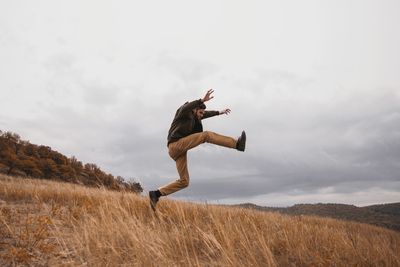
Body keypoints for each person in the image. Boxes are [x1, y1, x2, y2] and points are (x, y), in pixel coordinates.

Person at [149, 89, 246, 211]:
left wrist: (219, 112)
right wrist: (201, 100)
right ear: (194, 110)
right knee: (206, 135)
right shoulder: (183, 113)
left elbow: (206, 114)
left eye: (202, 114)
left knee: (184, 181)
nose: (201, 115)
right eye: (200, 113)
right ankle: (237, 145)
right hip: (175, 145)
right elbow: (186, 108)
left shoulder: (197, 116)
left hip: (179, 152)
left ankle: (156, 194)